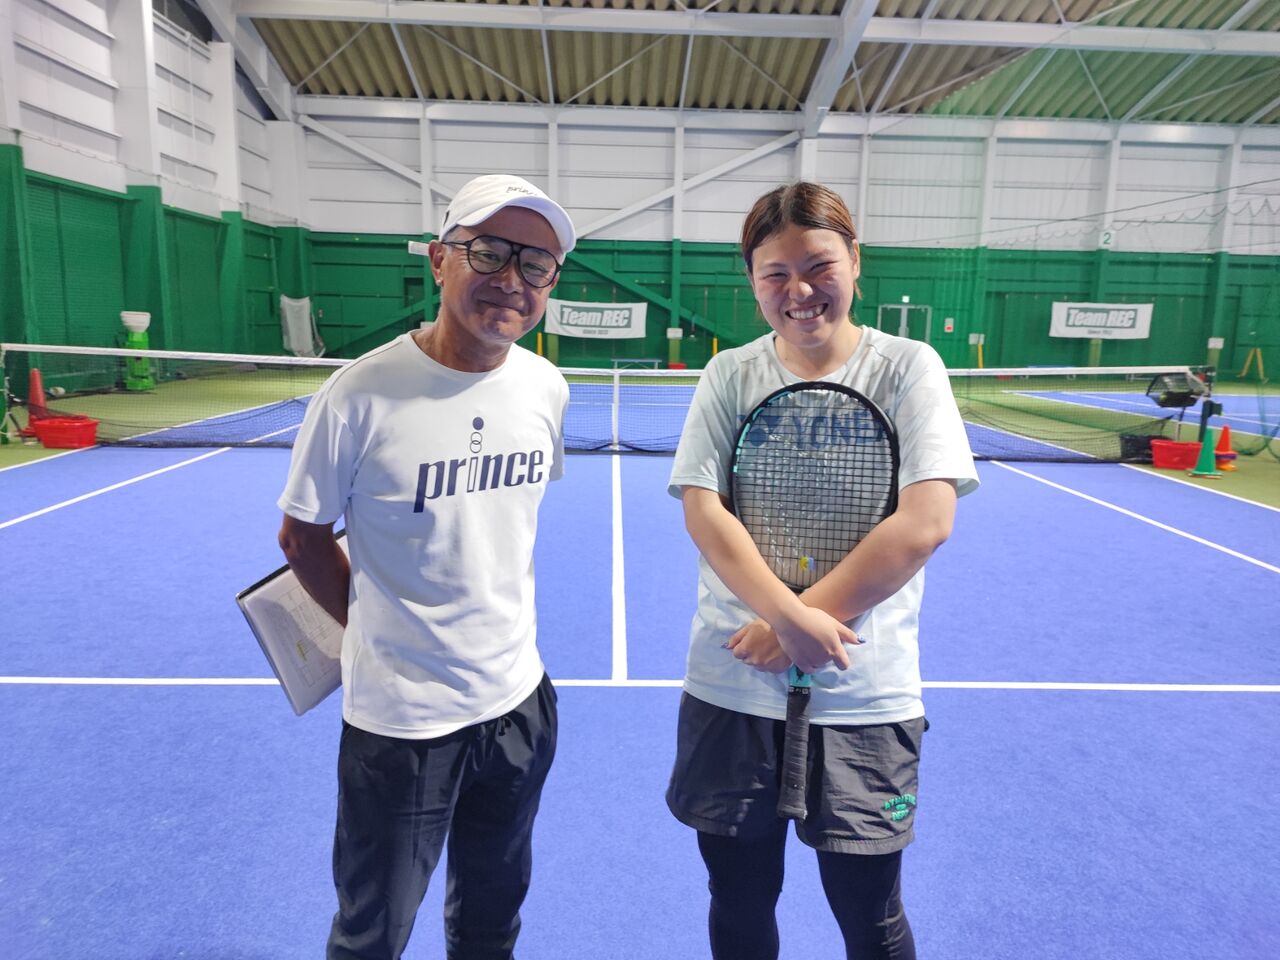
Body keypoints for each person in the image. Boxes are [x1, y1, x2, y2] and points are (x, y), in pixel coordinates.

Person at [666, 181, 980, 960]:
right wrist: (789, 620)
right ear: (752, 281)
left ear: (855, 262)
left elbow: (926, 521)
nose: (799, 291)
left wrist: (798, 629)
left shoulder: (908, 368)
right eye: (775, 274)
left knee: (870, 916)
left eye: (818, 267)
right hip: (733, 685)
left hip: (862, 694)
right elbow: (705, 511)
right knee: (738, 900)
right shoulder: (729, 374)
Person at [277, 173, 576, 960]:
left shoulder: (545, 387)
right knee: (372, 934)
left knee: (491, 924)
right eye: (490, 252)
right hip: (402, 725)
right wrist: (378, 627)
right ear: (441, 259)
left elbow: (499, 530)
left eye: (537, 264)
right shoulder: (358, 395)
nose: (512, 279)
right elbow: (302, 537)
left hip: (518, 703)